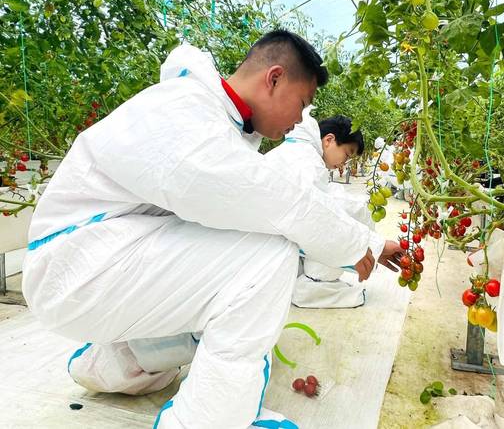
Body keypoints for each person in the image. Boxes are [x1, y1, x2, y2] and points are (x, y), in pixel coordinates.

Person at [22, 30, 403, 428]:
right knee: (267, 255)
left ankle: (114, 364)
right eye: (302, 103)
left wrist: (367, 241)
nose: (298, 119)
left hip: (96, 260)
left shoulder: (215, 117)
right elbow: (274, 200)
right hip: (78, 269)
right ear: (273, 78)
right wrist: (360, 243)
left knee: (237, 289)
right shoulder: (185, 108)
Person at [266, 110, 375, 308]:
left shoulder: (297, 152)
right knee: (336, 230)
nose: (344, 163)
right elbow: (318, 219)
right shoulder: (308, 163)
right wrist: (358, 246)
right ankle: (315, 287)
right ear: (329, 140)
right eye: (347, 154)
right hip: (269, 247)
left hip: (270, 241)